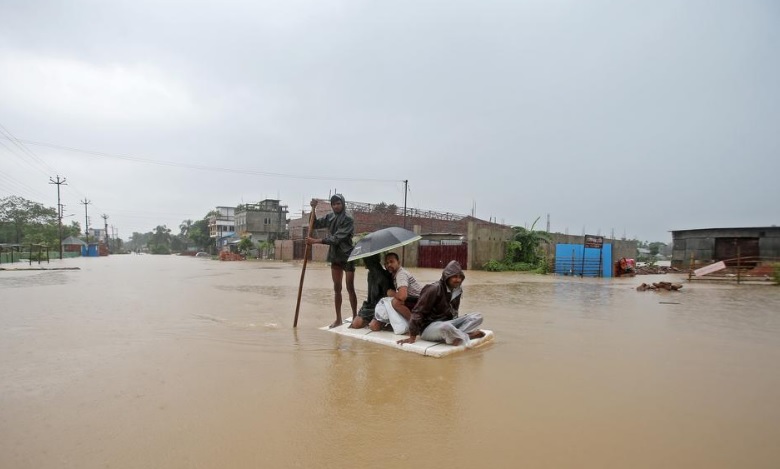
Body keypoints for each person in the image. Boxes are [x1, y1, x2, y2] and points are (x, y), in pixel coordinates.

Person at [397, 260, 485, 346]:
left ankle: (457, 336)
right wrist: (412, 336)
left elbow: (455, 311)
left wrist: (457, 324)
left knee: (477, 316)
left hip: (448, 323)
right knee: (446, 327)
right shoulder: (433, 289)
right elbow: (417, 312)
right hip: (429, 328)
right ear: (447, 277)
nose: (458, 280)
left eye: (460, 277)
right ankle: (465, 336)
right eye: (454, 276)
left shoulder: (457, 290)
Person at [306, 194, 357, 328]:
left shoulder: (348, 218)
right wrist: (313, 209)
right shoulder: (330, 217)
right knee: (337, 288)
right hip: (335, 256)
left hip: (347, 255)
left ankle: (355, 316)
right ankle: (338, 319)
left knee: (350, 287)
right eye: (334, 204)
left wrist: (315, 241)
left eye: (338, 203)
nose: (336, 206)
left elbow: (336, 238)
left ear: (343, 204)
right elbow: (315, 224)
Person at [369, 251, 423, 331]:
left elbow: (402, 296)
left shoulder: (401, 274)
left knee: (396, 302)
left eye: (392, 262)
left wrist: (392, 293)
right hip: (412, 300)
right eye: (387, 263)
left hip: (419, 302)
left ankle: (415, 325)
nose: (389, 265)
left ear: (398, 262)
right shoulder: (393, 275)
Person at [350, 254, 393, 329]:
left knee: (373, 327)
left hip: (382, 307)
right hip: (370, 306)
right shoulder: (370, 274)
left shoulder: (384, 276)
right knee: (356, 324)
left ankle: (381, 322)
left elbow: (387, 299)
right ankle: (371, 320)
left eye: (365, 261)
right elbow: (369, 297)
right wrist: (362, 311)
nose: (364, 263)